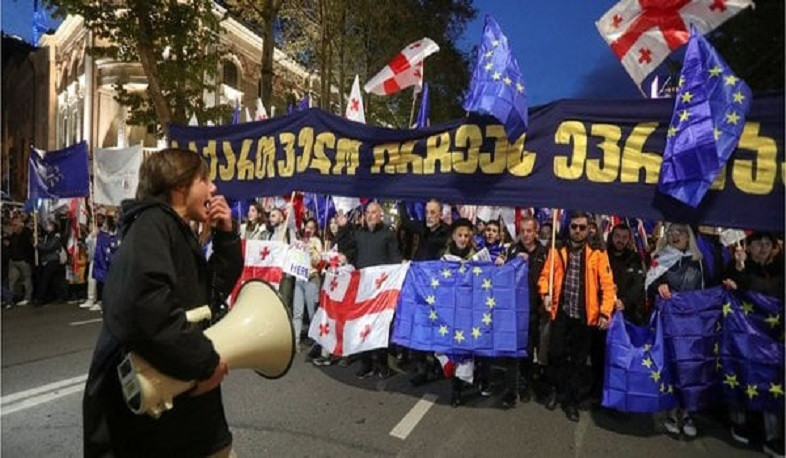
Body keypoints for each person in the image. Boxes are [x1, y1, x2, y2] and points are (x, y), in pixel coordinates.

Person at [82, 148, 243, 457]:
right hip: (163, 427)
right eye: (204, 180)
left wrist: (226, 237)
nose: (213, 189)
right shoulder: (152, 225)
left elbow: (208, 294)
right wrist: (206, 363)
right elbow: (147, 307)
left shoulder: (171, 229)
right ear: (179, 186)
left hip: (183, 418)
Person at [538, 211, 615, 422]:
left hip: (584, 316)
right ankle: (557, 390)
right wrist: (545, 293)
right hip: (560, 313)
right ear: (568, 227)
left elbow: (608, 287)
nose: (578, 231)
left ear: (589, 228)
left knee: (578, 361)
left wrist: (605, 311)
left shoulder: (598, 253)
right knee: (556, 354)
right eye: (574, 227)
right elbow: (545, 277)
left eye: (582, 227)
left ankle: (570, 400)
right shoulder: (557, 249)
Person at [722, 232, 784, 457]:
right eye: (758, 243)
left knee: (771, 382)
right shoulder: (737, 265)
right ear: (749, 246)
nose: (763, 247)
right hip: (743, 336)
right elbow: (729, 287)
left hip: (771, 339)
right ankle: (739, 422)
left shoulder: (781, 268)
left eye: (768, 243)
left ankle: (773, 436)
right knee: (740, 373)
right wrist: (738, 269)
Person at [645, 222, 706, 438]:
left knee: (689, 369)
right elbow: (648, 286)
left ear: (688, 236)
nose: (674, 235)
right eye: (670, 232)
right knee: (671, 367)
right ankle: (670, 411)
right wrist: (658, 286)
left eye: (679, 232)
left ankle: (686, 412)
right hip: (668, 324)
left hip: (692, 325)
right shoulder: (659, 258)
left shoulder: (698, 262)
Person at [336, 202, 401, 379]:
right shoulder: (358, 234)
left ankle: (382, 364)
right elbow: (346, 250)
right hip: (362, 289)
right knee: (361, 326)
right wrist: (342, 228)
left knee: (379, 327)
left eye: (374, 212)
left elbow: (395, 261)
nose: (371, 216)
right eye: (368, 213)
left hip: (380, 291)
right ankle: (366, 363)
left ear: (380, 215)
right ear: (364, 215)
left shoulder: (388, 235)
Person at [397, 199, 450, 386]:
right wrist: (402, 199)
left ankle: (436, 365)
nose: (429, 215)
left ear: (441, 215)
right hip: (418, 286)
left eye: (433, 212)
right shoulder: (422, 228)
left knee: (433, 328)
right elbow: (405, 221)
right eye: (427, 212)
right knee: (418, 326)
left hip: (435, 288)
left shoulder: (446, 233)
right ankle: (422, 368)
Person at [499, 216, 548, 408]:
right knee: (512, 352)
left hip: (533, 311)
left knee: (528, 351)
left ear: (536, 232)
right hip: (513, 311)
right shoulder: (512, 250)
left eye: (530, 231)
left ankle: (526, 386)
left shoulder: (544, 252)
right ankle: (511, 390)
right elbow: (502, 277)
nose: (526, 235)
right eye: (523, 231)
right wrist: (505, 263)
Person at [441, 218, 478, 407]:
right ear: (453, 236)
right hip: (449, 309)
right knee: (451, 347)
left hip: (468, 310)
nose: (463, 239)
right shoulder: (444, 256)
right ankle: (453, 382)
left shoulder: (477, 257)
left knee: (465, 348)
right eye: (460, 235)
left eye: (466, 235)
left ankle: (459, 388)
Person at [291, 218, 323, 352]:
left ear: (315, 230)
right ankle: (296, 341)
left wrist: (312, 252)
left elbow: (318, 261)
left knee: (312, 313)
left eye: (312, 227)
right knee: (297, 312)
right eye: (307, 227)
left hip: (311, 278)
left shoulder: (316, 242)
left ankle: (317, 343)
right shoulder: (299, 241)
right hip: (299, 279)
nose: (308, 229)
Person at [34, 218, 67, 306]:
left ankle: (40, 298)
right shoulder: (46, 236)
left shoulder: (56, 236)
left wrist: (38, 245)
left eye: (50, 225)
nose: (48, 226)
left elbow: (49, 247)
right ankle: (58, 296)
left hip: (52, 260)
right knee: (53, 280)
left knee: (45, 280)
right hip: (46, 260)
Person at [7, 216, 35, 307]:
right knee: (12, 280)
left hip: (23, 261)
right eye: (12, 225)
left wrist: (27, 258)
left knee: (26, 280)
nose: (13, 227)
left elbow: (29, 247)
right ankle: (10, 299)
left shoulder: (26, 234)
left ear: (20, 225)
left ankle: (27, 298)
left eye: (15, 225)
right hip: (14, 261)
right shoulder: (13, 236)